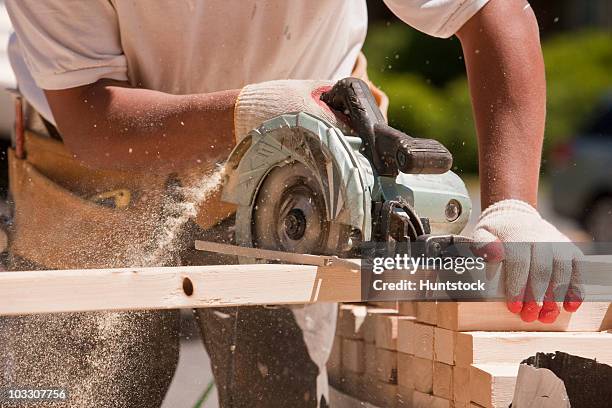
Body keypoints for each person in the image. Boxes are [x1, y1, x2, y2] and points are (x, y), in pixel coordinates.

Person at [2, 0, 583, 407]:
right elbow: (90, 117)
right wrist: (250, 108)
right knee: (64, 392)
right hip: (93, 164)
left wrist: (513, 207)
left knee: (279, 390)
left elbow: (492, 11)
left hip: (296, 167)